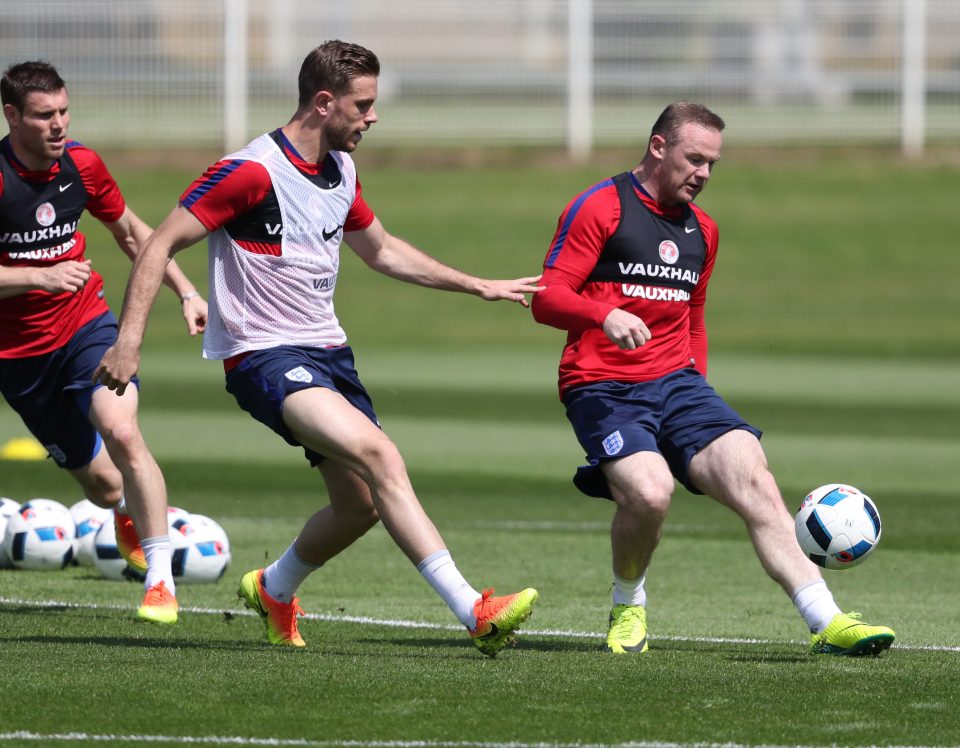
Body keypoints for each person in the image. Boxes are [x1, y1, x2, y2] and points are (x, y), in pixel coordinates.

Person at [93, 40, 540, 655]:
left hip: (329, 354)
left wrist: (477, 284)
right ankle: (474, 611)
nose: (373, 117)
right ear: (324, 102)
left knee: (359, 506)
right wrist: (130, 339)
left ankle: (274, 589)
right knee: (381, 456)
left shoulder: (341, 171)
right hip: (264, 358)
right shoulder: (251, 171)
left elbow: (380, 250)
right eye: (364, 104)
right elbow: (158, 243)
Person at [530, 101, 895, 657]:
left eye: (712, 164)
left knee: (756, 479)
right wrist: (602, 315)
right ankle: (628, 604)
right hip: (602, 386)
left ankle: (829, 622)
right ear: (658, 147)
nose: (703, 173)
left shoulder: (703, 231)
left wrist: (697, 388)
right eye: (694, 158)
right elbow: (548, 297)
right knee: (651, 495)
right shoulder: (599, 207)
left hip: (679, 385)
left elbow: (693, 317)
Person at [0, 61, 208, 624]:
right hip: (19, 359)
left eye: (65, 111)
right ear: (12, 115)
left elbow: (134, 233)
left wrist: (186, 290)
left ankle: (161, 580)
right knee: (101, 483)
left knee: (120, 428)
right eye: (45, 115)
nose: (59, 125)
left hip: (87, 325)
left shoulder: (83, 164)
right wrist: (35, 277)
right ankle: (120, 511)